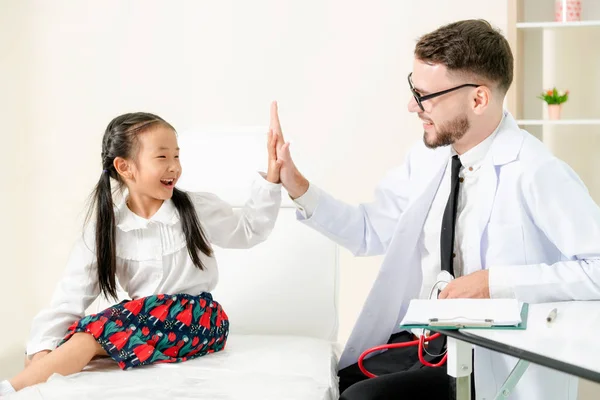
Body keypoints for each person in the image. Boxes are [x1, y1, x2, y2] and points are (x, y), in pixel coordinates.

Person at [270, 19, 600, 400]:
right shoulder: (429, 159)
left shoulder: (536, 171)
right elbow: (368, 231)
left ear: (478, 99)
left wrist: (494, 283)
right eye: (414, 89)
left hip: (489, 363)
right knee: (342, 382)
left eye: (426, 95)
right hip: (429, 344)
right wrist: (296, 186)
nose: (413, 106)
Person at [0, 112, 283, 396]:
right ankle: (30, 379)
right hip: (146, 320)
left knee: (88, 338)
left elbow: (249, 230)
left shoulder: (195, 209)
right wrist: (42, 349)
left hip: (198, 318)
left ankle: (10, 390)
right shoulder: (107, 227)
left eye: (177, 156)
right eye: (162, 158)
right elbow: (71, 293)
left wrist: (272, 179)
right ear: (125, 167)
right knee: (66, 340)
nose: (174, 167)